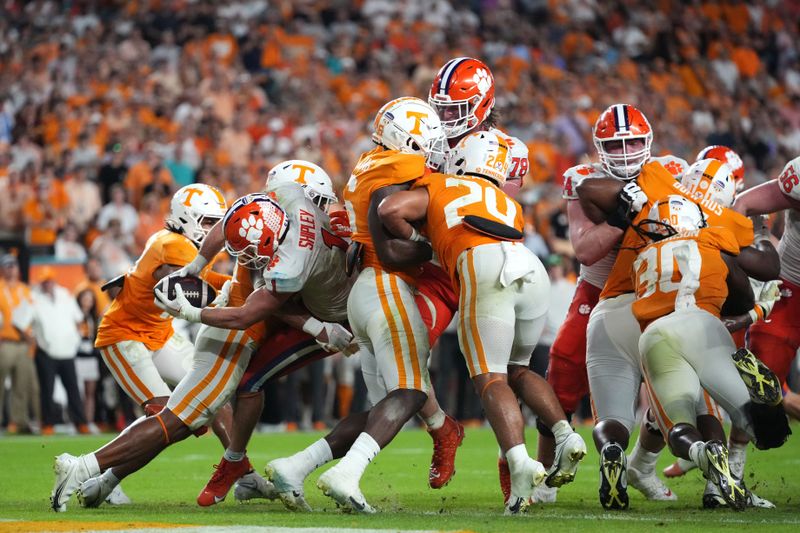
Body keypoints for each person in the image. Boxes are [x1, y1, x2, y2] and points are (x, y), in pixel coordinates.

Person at [50, 186, 352, 512]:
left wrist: (200, 267)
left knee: (206, 410)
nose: (211, 227)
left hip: (168, 332)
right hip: (146, 335)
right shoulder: (183, 244)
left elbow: (227, 248)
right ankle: (87, 469)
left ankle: (240, 469)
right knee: (173, 419)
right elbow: (245, 310)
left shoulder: (273, 203)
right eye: (205, 221)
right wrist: (317, 327)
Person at [575, 109, 779, 510]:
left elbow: (588, 190)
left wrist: (627, 205)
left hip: (615, 308)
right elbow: (765, 268)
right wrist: (758, 234)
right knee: (700, 406)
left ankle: (614, 454)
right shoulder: (722, 221)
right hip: (673, 315)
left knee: (616, 414)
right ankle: (718, 475)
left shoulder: (655, 188)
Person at [379, 130, 586, 514]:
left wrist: (420, 242)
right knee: (519, 370)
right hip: (529, 266)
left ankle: (522, 462)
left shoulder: (442, 183)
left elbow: (389, 209)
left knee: (490, 377)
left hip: (485, 266)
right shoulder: (506, 201)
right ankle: (565, 433)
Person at [545, 103, 688, 505]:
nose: (625, 152)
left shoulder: (671, 172)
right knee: (562, 372)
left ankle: (642, 467)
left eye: (632, 142)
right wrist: (620, 217)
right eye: (615, 144)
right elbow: (584, 250)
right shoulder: (583, 180)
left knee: (670, 391)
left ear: (649, 142)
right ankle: (544, 475)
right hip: (598, 291)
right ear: (597, 147)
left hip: (658, 292)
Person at [631, 195, 789, 510]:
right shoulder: (710, 237)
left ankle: (701, 454)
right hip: (703, 326)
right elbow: (756, 282)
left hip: (656, 336)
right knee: (757, 425)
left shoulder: (642, 258)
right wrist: (757, 306)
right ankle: (764, 407)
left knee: (680, 425)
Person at [30, 267, 88, 435]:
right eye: (44, 281)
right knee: (47, 389)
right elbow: (21, 321)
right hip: (46, 351)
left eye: (49, 280)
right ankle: (48, 423)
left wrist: (76, 338)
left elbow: (78, 318)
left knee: (73, 388)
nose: (47, 284)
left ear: (54, 280)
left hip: (67, 350)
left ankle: (80, 422)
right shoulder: (34, 297)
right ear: (41, 282)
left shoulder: (64, 295)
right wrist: (33, 340)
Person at [0, 253, 38, 434]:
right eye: (7, 265)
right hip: (4, 342)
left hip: (23, 343)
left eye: (13, 265)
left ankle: (18, 421)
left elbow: (30, 315)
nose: (11, 268)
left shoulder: (25, 289)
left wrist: (31, 339)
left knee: (21, 384)